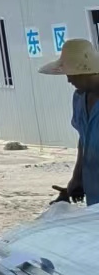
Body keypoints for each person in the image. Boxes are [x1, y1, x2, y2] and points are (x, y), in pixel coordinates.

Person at [40, 38, 99, 206]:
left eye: (70, 74)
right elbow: (84, 139)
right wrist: (77, 178)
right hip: (94, 192)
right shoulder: (79, 98)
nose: (68, 80)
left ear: (85, 72)